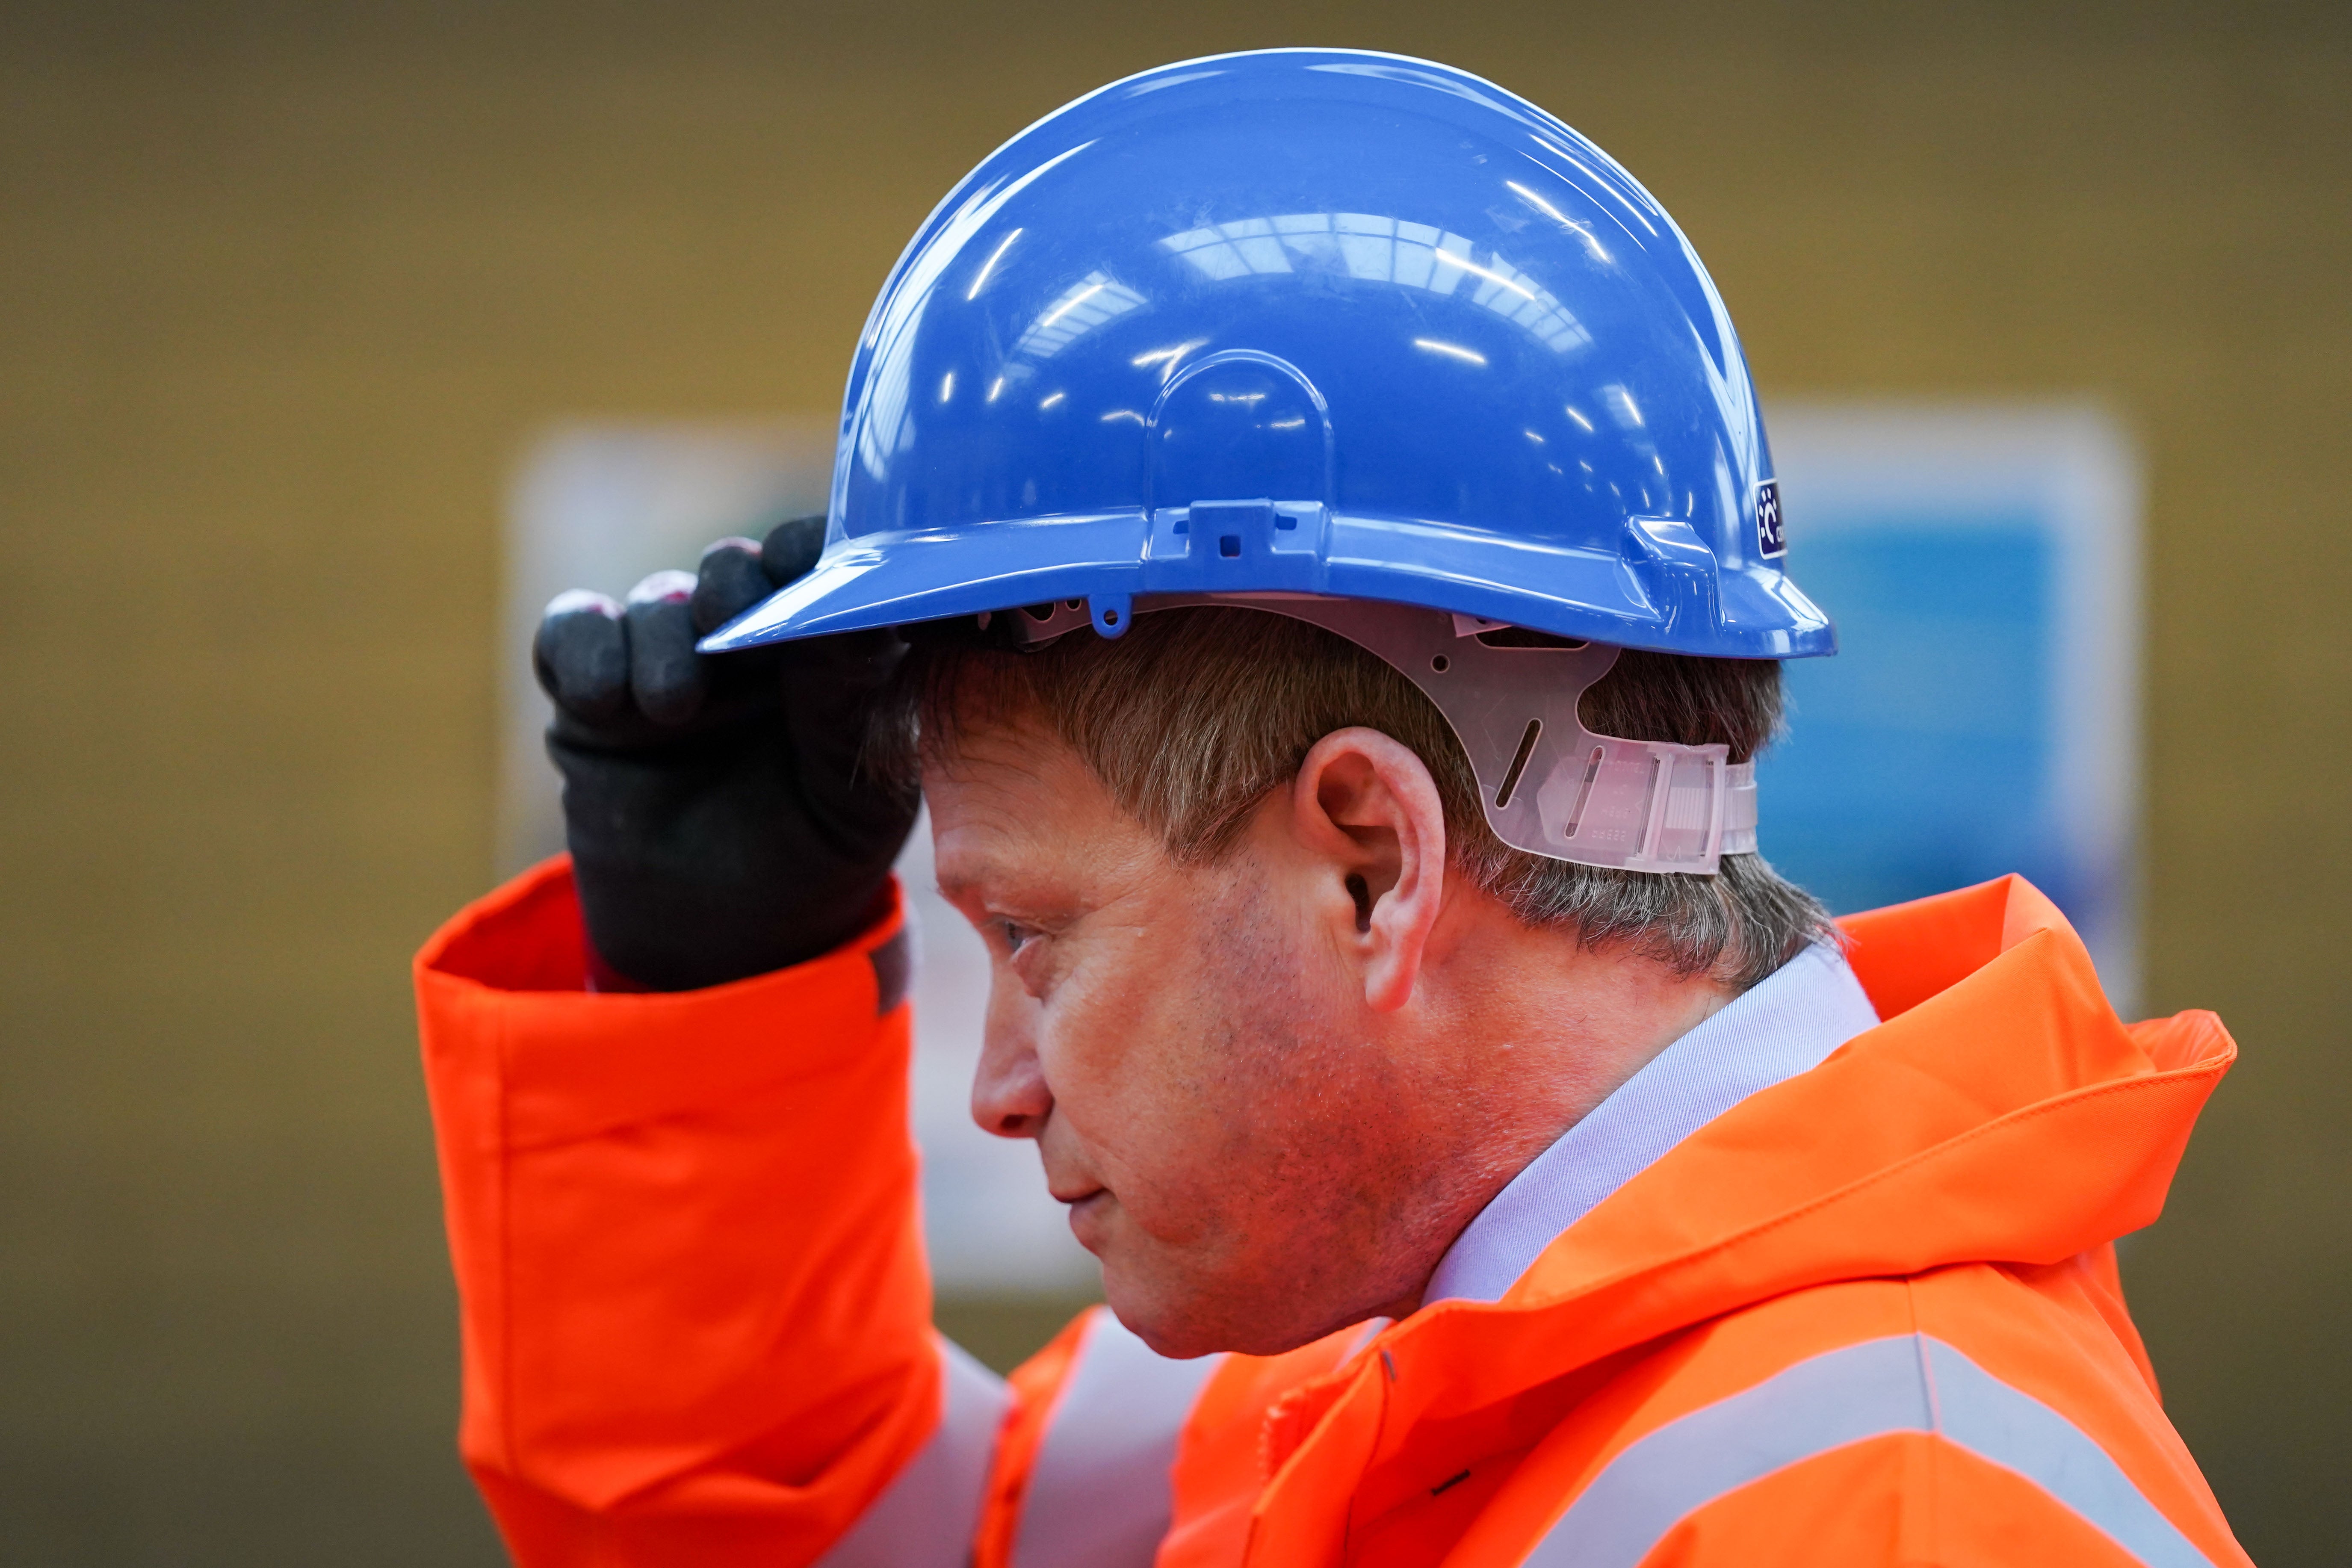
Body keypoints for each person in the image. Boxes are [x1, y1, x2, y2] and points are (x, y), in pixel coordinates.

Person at [416, 50, 2250, 1568]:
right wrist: (712, 1004)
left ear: (1370, 859)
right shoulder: (1379, 1348)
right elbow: (846, 1536)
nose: (998, 1083)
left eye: (1035, 936)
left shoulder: (1891, 1511)